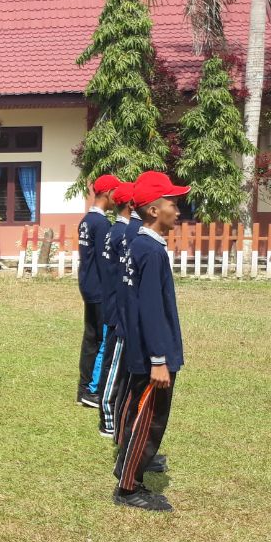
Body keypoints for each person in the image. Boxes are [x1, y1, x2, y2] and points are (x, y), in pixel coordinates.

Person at [113, 171, 189, 512]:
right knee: (150, 418)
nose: (178, 209)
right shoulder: (150, 251)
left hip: (141, 347)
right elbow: (151, 309)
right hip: (152, 352)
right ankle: (129, 488)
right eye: (172, 202)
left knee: (139, 415)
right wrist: (159, 358)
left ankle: (126, 469)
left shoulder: (140, 244)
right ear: (155, 211)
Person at [77, 174, 120, 407]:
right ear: (107, 193)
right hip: (101, 289)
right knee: (103, 339)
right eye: (117, 192)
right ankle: (93, 390)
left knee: (91, 339)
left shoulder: (86, 220)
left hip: (87, 285)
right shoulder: (102, 223)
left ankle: (83, 388)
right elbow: (106, 261)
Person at [97, 180, 135, 439]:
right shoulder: (122, 233)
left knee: (116, 361)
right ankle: (108, 417)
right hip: (116, 307)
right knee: (113, 364)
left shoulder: (116, 230)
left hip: (113, 303)